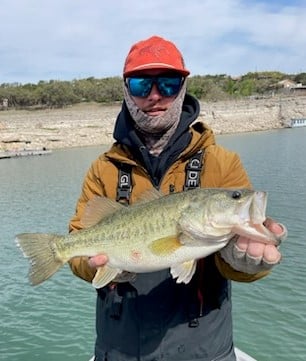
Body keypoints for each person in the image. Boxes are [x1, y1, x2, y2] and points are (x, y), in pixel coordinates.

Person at [69, 35, 286, 361]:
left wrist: (243, 263)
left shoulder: (222, 163)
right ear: (127, 91)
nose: (155, 96)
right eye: (142, 84)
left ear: (183, 87)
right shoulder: (103, 169)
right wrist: (90, 264)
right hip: (119, 349)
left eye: (168, 84)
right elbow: (76, 245)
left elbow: (242, 263)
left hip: (203, 349)